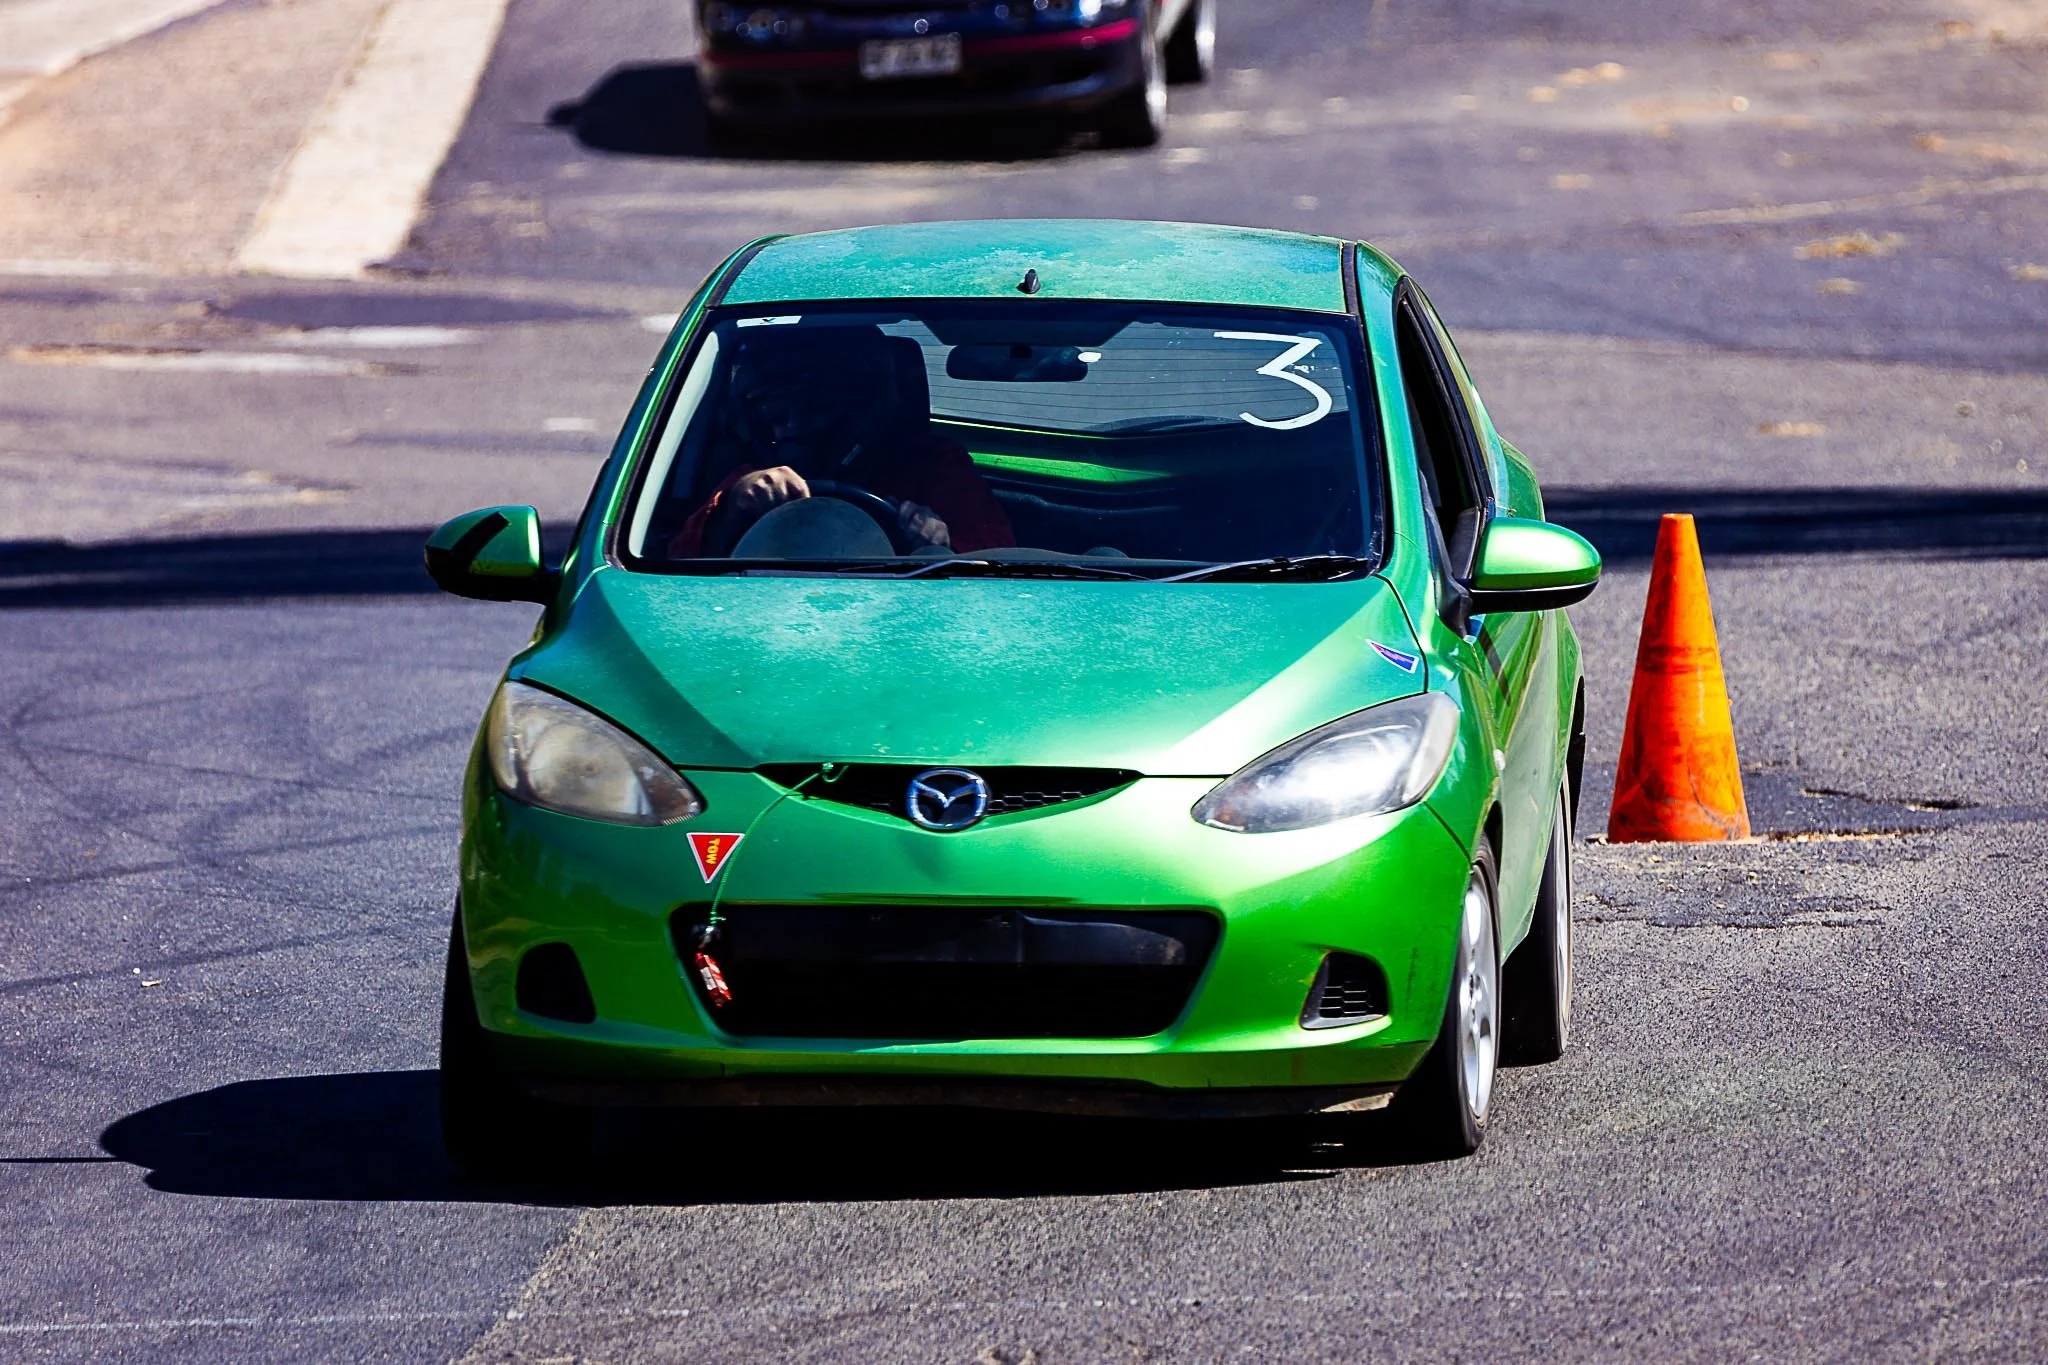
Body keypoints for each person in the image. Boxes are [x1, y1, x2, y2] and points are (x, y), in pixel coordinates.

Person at [668, 325, 1012, 558]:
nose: (791, 427)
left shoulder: (934, 468)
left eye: (814, 409)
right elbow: (673, 566)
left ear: (859, 407)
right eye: (775, 415)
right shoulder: (751, 480)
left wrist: (940, 541)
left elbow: (998, 563)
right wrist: (733, 506)